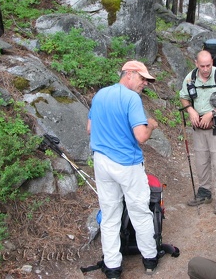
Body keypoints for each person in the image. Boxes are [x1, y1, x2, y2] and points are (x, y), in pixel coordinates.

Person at [86, 60, 159, 279]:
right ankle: (150, 258)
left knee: (109, 215)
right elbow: (141, 136)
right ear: (128, 74)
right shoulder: (131, 99)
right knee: (139, 211)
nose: (144, 83)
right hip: (127, 163)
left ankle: (113, 268)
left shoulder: (100, 95)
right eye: (142, 78)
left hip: (101, 162)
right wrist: (152, 124)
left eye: (146, 80)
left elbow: (90, 128)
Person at [179, 50, 216, 214]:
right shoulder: (190, 77)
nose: (205, 69)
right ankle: (204, 192)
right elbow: (183, 96)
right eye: (202, 66)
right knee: (201, 160)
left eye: (208, 65)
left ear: (212, 62)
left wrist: (212, 114)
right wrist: (190, 110)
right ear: (196, 63)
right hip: (198, 125)